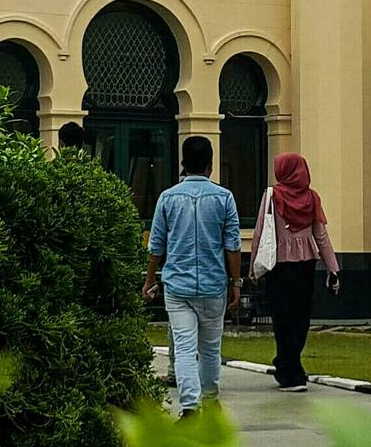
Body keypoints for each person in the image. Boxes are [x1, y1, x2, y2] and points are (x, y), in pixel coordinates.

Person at [144, 135, 243, 417]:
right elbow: (233, 245)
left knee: (184, 347)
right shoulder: (225, 198)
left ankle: (190, 406)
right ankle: (210, 401)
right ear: (211, 164)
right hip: (213, 285)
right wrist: (236, 282)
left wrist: (150, 279)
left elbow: (156, 245)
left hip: (178, 286)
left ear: (183, 163)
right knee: (210, 348)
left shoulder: (168, 198)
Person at [252, 152, 340, 391]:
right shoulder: (312, 197)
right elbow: (321, 235)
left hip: (279, 265)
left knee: (283, 318)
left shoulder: (272, 195)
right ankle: (290, 365)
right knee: (301, 316)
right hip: (306, 264)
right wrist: (333, 268)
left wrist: (253, 268)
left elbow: (260, 232)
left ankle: (289, 370)